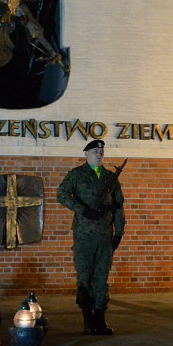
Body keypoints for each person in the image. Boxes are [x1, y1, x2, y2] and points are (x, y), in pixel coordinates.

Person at [57, 139, 126, 335]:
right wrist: (83, 210)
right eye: (95, 151)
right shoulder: (77, 175)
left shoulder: (111, 178)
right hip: (84, 237)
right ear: (86, 154)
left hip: (104, 237)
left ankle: (100, 319)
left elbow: (119, 207)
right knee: (84, 278)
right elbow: (61, 194)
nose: (99, 155)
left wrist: (118, 233)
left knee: (102, 279)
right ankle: (87, 320)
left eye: (101, 152)